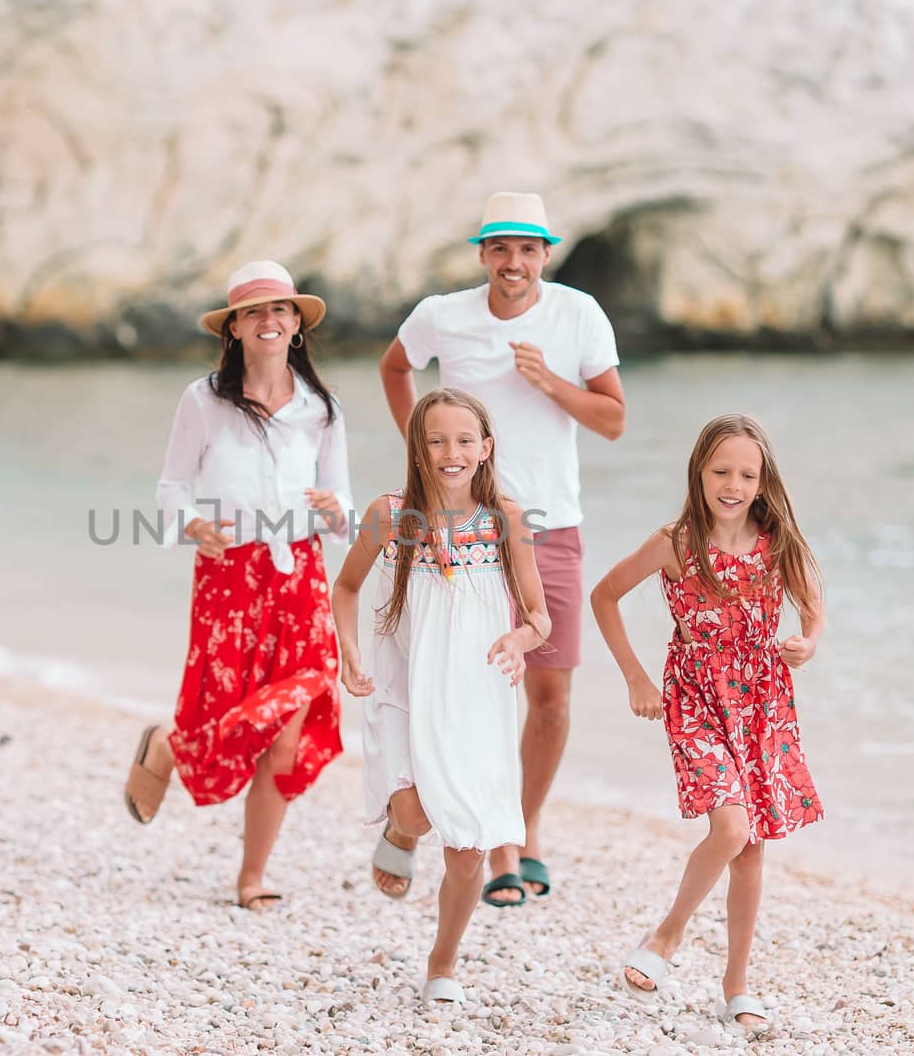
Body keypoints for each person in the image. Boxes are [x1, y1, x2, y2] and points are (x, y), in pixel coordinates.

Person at [379, 191, 625, 907]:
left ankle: (525, 824)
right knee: (463, 689)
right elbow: (397, 368)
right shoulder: (441, 315)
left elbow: (613, 419)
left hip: (551, 525)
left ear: (546, 254)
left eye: (528, 249)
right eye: (499, 248)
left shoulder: (578, 314)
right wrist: (417, 449)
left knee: (549, 694)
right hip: (461, 532)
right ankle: (487, 837)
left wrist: (551, 382)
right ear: (482, 254)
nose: (513, 262)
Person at [122, 260, 352, 912]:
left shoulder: (322, 410)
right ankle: (170, 744)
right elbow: (170, 486)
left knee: (288, 722)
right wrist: (193, 524)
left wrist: (339, 514)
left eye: (280, 310)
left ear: (297, 325)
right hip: (228, 575)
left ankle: (253, 873)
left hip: (300, 575)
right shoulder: (203, 401)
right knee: (228, 715)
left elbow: (342, 500)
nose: (269, 321)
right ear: (235, 330)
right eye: (254, 312)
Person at [589, 413, 825, 1032]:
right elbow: (604, 596)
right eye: (721, 470)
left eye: (747, 473)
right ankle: (668, 935)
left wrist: (810, 640)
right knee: (729, 827)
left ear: (762, 479)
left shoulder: (778, 541)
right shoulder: (678, 542)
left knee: (751, 851)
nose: (733, 483)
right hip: (694, 696)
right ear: (698, 472)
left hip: (763, 704)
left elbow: (812, 602)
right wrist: (636, 678)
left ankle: (736, 983)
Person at [331, 387, 551, 1004]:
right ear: (417, 447)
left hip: (476, 697)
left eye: (463, 440)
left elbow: (540, 615)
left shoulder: (506, 517)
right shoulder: (390, 513)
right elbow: (345, 587)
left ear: (486, 448)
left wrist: (519, 639)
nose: (449, 452)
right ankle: (400, 835)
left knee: (466, 847)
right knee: (416, 813)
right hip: (405, 686)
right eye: (435, 440)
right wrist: (349, 652)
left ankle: (442, 963)